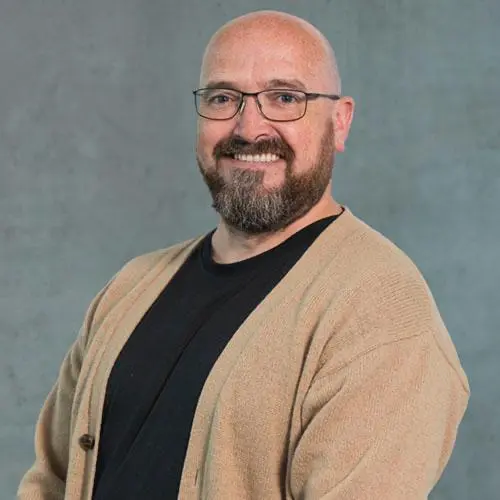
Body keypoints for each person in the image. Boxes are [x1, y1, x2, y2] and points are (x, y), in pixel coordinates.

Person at [18, 10, 470, 500]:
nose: (250, 128)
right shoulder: (131, 288)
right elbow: (50, 481)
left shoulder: (379, 310)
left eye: (285, 98)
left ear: (339, 122)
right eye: (222, 98)